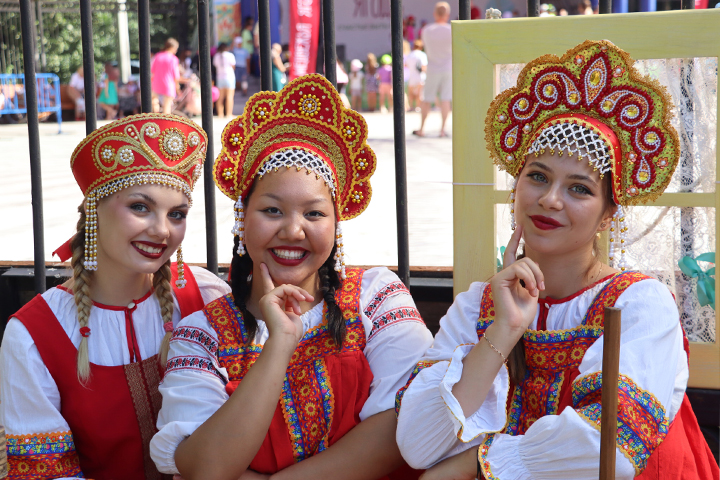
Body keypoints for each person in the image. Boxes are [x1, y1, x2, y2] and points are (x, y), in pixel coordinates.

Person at [395, 40, 720, 480]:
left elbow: (613, 447)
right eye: (538, 177)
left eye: (579, 188)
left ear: (609, 213)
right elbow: (418, 444)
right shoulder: (480, 305)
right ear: (515, 188)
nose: (549, 200)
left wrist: (476, 466)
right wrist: (504, 330)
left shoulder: (640, 305)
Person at [150, 74, 433, 480]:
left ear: (336, 224)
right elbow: (206, 468)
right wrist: (280, 341)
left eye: (314, 213)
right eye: (272, 210)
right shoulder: (202, 335)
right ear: (241, 220)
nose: (293, 230)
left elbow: (404, 424)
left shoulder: (377, 297)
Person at [0, 114, 231, 479]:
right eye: (140, 207)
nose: (161, 231)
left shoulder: (206, 296)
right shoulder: (33, 335)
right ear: (94, 209)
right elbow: (46, 473)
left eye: (177, 214)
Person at [414, 2, 452, 138]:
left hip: (432, 68)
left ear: (435, 14)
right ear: (447, 15)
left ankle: (422, 128)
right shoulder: (451, 30)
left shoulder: (427, 30)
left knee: (427, 99)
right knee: (446, 99)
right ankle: (442, 130)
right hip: (448, 68)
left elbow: (426, 47)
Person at [151, 38, 181, 114]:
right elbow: (176, 76)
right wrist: (177, 87)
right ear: (172, 48)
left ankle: (156, 116)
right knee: (167, 105)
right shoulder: (173, 59)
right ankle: (165, 123)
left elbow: (152, 70)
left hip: (156, 83)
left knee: (154, 101)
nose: (176, 51)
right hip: (169, 84)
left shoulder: (157, 56)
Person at [213, 43, 236, 118]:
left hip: (220, 77)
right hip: (229, 77)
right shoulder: (230, 55)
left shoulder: (216, 56)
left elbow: (215, 66)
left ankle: (220, 114)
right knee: (229, 96)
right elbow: (233, 66)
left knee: (220, 97)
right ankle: (229, 114)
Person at [404, 40, 427, 113]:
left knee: (410, 93)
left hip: (411, 76)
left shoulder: (410, 55)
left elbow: (406, 65)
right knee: (419, 93)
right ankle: (418, 107)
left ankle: (411, 106)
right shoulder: (422, 54)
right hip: (420, 76)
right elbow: (424, 67)